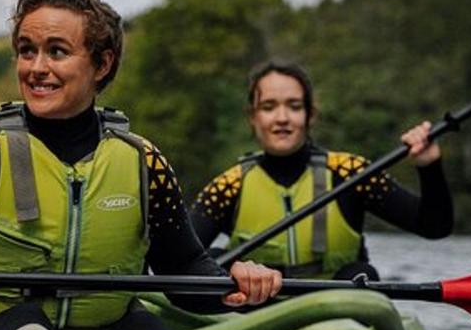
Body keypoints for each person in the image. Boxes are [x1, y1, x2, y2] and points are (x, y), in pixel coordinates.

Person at [0, 0, 282, 330]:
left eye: (57, 52)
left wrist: (238, 285)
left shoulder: (144, 162)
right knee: (25, 324)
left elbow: (183, 269)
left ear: (101, 64)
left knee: (145, 329)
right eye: (27, 51)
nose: (36, 68)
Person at [190, 59, 453, 280]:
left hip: (334, 314)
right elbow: (178, 257)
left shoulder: (351, 173)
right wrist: (226, 269)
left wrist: (429, 166)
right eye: (269, 107)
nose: (282, 118)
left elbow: (434, 226)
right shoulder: (229, 185)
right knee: (210, 260)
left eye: (294, 106)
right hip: (251, 311)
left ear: (310, 115)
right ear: (253, 117)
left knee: (362, 273)